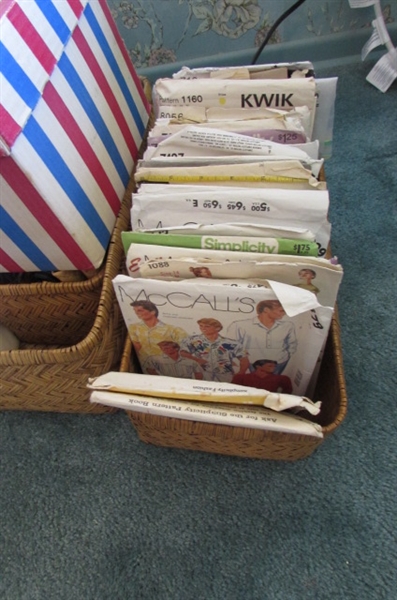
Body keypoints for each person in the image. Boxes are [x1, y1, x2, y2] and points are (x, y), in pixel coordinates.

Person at [227, 300, 297, 374]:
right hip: (253, 363)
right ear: (266, 310)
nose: (284, 313)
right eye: (281, 310)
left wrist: (286, 356)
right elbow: (231, 346)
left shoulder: (288, 325)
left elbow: (292, 344)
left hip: (280, 363)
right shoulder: (239, 325)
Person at [180, 318, 249, 382]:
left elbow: (244, 359)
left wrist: (240, 373)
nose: (203, 328)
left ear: (217, 328)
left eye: (207, 326)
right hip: (202, 373)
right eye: (201, 326)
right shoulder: (192, 340)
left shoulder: (231, 343)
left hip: (225, 375)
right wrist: (197, 360)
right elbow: (182, 353)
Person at [128, 300, 188, 364]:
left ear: (153, 312)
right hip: (145, 364)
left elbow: (185, 349)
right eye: (135, 311)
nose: (136, 313)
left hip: (169, 365)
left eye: (140, 310)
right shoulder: (133, 327)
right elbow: (136, 348)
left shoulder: (173, 330)